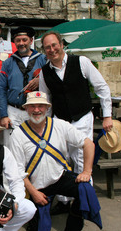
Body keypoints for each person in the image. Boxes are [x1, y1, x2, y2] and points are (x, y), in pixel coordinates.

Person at [9, 91, 102, 231]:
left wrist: (87, 171)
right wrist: (34, 193)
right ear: (26, 109)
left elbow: (88, 144)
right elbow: (18, 172)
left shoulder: (60, 125)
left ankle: (73, 230)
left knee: (85, 188)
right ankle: (37, 219)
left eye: (41, 106)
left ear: (47, 108)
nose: (36, 110)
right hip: (38, 185)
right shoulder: (18, 134)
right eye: (32, 106)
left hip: (60, 177)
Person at [39, 31, 113, 214]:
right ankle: (64, 201)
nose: (52, 49)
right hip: (59, 122)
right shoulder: (44, 72)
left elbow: (102, 87)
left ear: (61, 44)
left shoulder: (81, 62)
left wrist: (107, 115)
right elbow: (45, 101)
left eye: (54, 45)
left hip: (82, 119)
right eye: (47, 47)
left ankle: (84, 203)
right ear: (44, 50)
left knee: (81, 162)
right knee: (60, 162)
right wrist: (44, 126)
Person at [0, 26, 47, 147]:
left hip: (35, 111)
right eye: (18, 40)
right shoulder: (8, 63)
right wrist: (3, 115)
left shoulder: (43, 60)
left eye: (24, 40)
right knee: (12, 147)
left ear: (31, 41)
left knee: (35, 146)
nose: (21, 43)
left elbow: (52, 81)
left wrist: (41, 79)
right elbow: (1, 89)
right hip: (13, 112)